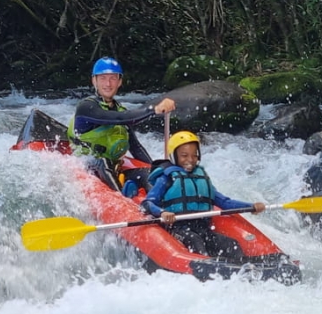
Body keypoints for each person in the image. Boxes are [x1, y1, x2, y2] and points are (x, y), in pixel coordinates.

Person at [141, 131, 265, 257]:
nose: (190, 160)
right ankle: (205, 269)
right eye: (184, 155)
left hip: (203, 229)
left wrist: (251, 206)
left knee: (231, 244)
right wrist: (162, 213)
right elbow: (147, 203)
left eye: (194, 155)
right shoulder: (166, 178)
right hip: (178, 228)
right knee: (195, 241)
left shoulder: (201, 178)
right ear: (174, 156)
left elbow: (225, 202)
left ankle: (244, 270)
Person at [67, 56, 176, 193]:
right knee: (103, 162)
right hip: (86, 165)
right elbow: (117, 118)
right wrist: (153, 109)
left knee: (149, 174)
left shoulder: (121, 110)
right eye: (103, 78)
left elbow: (136, 148)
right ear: (94, 81)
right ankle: (121, 199)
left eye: (113, 78)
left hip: (113, 168)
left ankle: (159, 201)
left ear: (120, 82)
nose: (108, 83)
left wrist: (154, 169)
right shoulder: (86, 107)